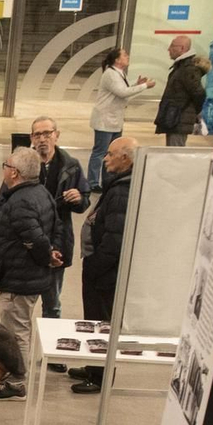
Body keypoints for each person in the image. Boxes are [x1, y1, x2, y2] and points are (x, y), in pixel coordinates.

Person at [0, 146, 58, 400]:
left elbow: (36, 239)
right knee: (17, 328)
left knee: (16, 332)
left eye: (5, 165)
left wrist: (45, 257)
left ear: (14, 173)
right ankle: (14, 373)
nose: (3, 169)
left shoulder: (22, 201)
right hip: (23, 276)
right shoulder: (40, 193)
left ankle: (17, 381)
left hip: (19, 279)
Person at [75, 135, 138, 393]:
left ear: (125, 158)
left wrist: (95, 266)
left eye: (111, 154)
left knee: (101, 323)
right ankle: (92, 365)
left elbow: (115, 241)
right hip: (100, 270)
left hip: (105, 274)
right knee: (93, 320)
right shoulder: (118, 184)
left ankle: (100, 376)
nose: (106, 158)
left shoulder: (123, 192)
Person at [25, 116, 89, 320]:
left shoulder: (71, 166)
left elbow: (84, 202)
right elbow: (1, 204)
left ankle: (46, 349)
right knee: (22, 305)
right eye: (38, 134)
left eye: (47, 133)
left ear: (56, 135)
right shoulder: (22, 164)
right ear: (31, 138)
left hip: (58, 241)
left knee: (52, 304)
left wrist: (79, 198)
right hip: (27, 243)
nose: (42, 139)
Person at [88, 46, 156, 183]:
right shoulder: (110, 74)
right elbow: (122, 92)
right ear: (117, 60)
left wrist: (136, 84)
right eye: (125, 55)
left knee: (114, 151)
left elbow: (123, 91)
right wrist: (144, 86)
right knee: (101, 152)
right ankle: (93, 181)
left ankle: (110, 178)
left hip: (114, 119)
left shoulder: (119, 73)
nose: (127, 57)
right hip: (105, 119)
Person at [155, 37, 209, 147]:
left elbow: (199, 93)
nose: (169, 49)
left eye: (172, 46)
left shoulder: (188, 69)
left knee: (175, 151)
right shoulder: (182, 66)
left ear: (182, 48)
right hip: (174, 117)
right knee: (172, 149)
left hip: (178, 118)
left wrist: (194, 111)